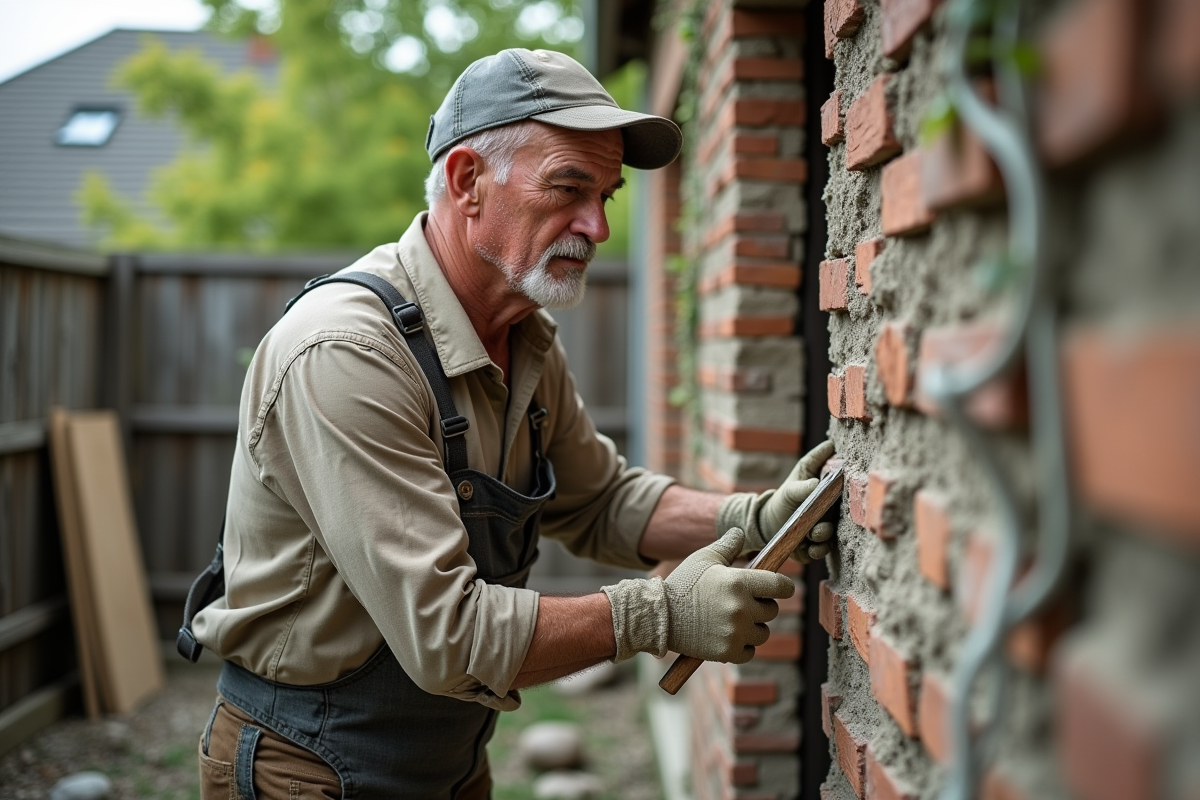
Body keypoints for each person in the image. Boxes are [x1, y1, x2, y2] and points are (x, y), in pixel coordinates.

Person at [188, 48, 835, 800]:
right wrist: (659, 613)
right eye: (568, 187)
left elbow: (600, 501)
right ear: (467, 181)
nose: (595, 225)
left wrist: (749, 517)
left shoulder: (521, 334)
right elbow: (448, 635)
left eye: (606, 196)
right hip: (305, 763)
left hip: (453, 756)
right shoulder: (347, 354)